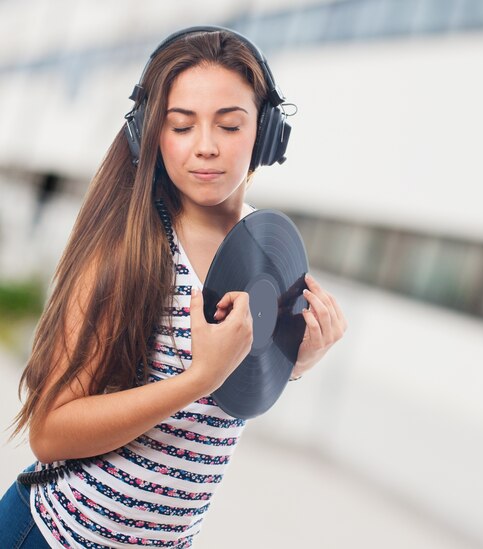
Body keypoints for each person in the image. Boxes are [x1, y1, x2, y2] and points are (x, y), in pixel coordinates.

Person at [0, 26, 347, 548]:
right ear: (150, 134)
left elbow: (224, 399)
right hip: (53, 536)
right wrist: (196, 379)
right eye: (181, 126)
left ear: (267, 133)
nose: (206, 148)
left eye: (229, 125)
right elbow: (51, 432)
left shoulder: (265, 249)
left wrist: (294, 364)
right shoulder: (132, 251)